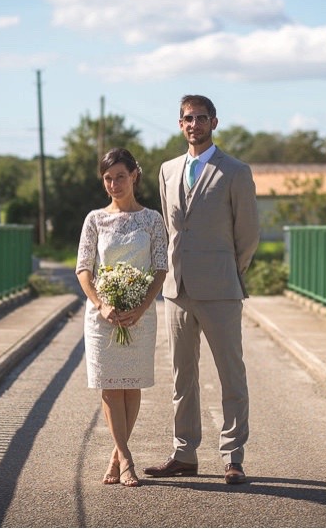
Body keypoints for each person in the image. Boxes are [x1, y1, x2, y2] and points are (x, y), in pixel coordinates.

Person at [145, 94, 260, 485]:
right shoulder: (167, 170)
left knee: (231, 374)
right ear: (180, 124)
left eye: (200, 118)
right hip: (178, 290)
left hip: (221, 288)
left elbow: (248, 235)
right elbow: (170, 228)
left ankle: (233, 457)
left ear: (214, 122)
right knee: (182, 377)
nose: (193, 124)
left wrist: (229, 271)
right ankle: (184, 454)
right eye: (187, 118)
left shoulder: (235, 171)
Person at [75, 147, 168, 487]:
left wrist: (141, 307)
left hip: (140, 314)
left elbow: (160, 268)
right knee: (110, 387)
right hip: (102, 316)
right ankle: (127, 458)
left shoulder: (152, 220)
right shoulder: (95, 220)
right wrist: (102, 304)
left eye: (120, 177)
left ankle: (116, 455)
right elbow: (83, 269)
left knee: (131, 386)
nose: (114, 184)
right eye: (108, 178)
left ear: (134, 176)